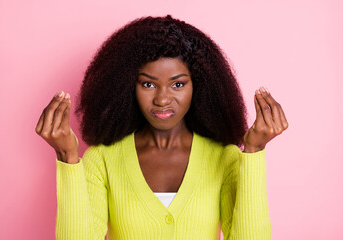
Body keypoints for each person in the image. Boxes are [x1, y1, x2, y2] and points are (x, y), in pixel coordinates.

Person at [35, 15, 288, 240]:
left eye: (177, 85)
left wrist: (254, 150)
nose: (162, 99)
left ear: (199, 86)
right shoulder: (102, 159)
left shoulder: (225, 157)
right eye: (148, 84)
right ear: (126, 87)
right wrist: (67, 157)